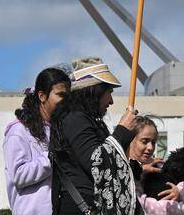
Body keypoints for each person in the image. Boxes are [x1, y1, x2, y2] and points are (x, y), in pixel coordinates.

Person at [50, 57, 139, 215]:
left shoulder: (87, 120)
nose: (111, 101)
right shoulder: (75, 119)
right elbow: (96, 163)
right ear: (95, 91)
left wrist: (135, 169)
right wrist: (122, 131)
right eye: (109, 92)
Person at [3, 67, 71, 215]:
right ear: (42, 96)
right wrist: (52, 157)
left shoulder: (59, 128)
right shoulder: (18, 130)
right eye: (60, 95)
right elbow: (19, 175)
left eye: (68, 96)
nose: (66, 101)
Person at [129, 116, 184, 215]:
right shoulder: (122, 170)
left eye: (153, 142)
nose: (150, 147)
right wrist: (181, 209)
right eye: (144, 141)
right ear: (130, 140)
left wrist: (182, 191)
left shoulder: (162, 165)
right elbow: (140, 206)